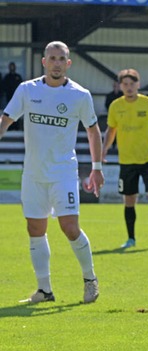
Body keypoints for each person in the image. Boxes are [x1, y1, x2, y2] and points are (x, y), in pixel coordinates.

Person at [0, 41, 103, 304]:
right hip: (33, 174)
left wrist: (97, 167)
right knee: (35, 228)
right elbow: (7, 119)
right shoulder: (27, 90)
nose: (56, 63)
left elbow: (93, 130)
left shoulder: (80, 95)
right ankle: (44, 290)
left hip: (63, 173)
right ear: (44, 62)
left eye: (61, 59)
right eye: (52, 58)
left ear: (68, 64)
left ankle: (90, 280)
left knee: (70, 227)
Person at [102, 68, 148, 250]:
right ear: (120, 86)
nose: (128, 87)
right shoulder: (115, 106)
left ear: (138, 84)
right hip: (127, 161)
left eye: (132, 84)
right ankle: (131, 239)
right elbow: (111, 130)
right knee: (129, 200)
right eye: (125, 84)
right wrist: (103, 151)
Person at [2, 62, 24, 129]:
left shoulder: (18, 76)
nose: (12, 68)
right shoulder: (7, 77)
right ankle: (10, 127)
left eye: (13, 66)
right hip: (9, 97)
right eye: (10, 67)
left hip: (17, 97)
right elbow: (4, 87)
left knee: (17, 111)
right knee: (9, 112)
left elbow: (21, 86)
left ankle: (16, 127)